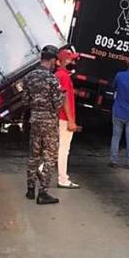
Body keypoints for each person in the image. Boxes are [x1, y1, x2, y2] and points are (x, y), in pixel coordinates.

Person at [23, 44, 64, 205]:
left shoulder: (29, 77)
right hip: (49, 122)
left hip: (34, 120)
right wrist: (63, 97)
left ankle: (30, 189)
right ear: (53, 60)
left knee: (34, 155)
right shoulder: (52, 79)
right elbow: (57, 104)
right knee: (49, 157)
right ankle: (43, 193)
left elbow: (25, 101)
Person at [55, 48, 81, 189]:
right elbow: (64, 98)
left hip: (61, 117)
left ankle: (40, 170)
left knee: (58, 147)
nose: (73, 62)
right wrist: (71, 120)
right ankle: (63, 179)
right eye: (70, 60)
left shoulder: (59, 74)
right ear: (63, 61)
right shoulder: (63, 76)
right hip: (64, 118)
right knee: (64, 149)